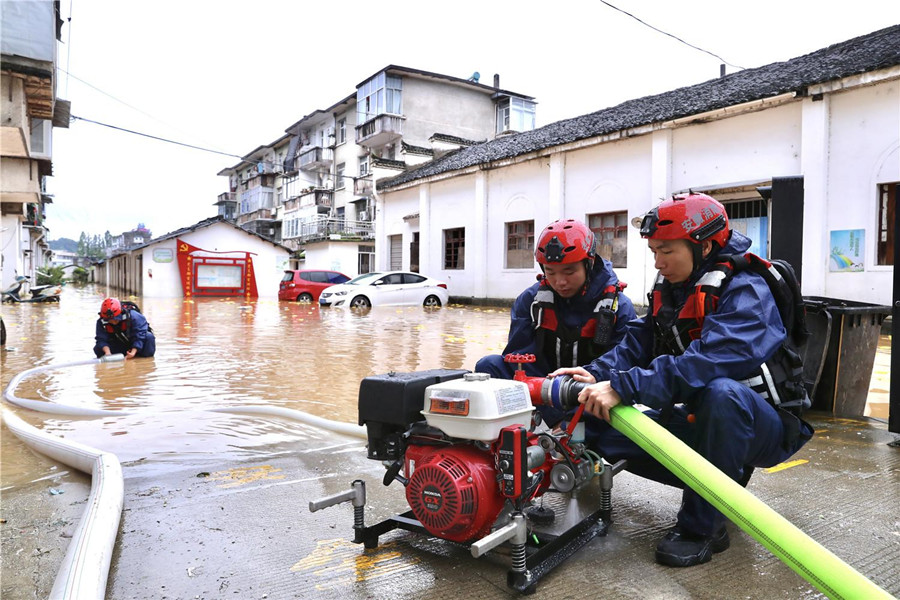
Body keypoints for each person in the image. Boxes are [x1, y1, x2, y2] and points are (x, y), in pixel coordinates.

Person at [550, 192, 814, 568]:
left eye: (666, 251)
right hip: (703, 422)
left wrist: (624, 387)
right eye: (653, 251)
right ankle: (720, 480)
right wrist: (597, 374)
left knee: (721, 395)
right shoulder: (676, 287)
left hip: (763, 425)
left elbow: (708, 364)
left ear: (704, 246)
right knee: (591, 423)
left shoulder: (747, 291)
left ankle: (701, 528)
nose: (658, 262)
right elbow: (639, 341)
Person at [476, 218, 636, 427]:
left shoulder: (618, 306)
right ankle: (539, 424)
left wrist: (586, 387)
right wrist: (551, 410)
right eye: (550, 272)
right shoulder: (531, 301)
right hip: (544, 391)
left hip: (592, 391)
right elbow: (518, 356)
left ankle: (572, 426)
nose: (560, 281)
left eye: (569, 272)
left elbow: (624, 362)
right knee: (488, 365)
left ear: (589, 264)